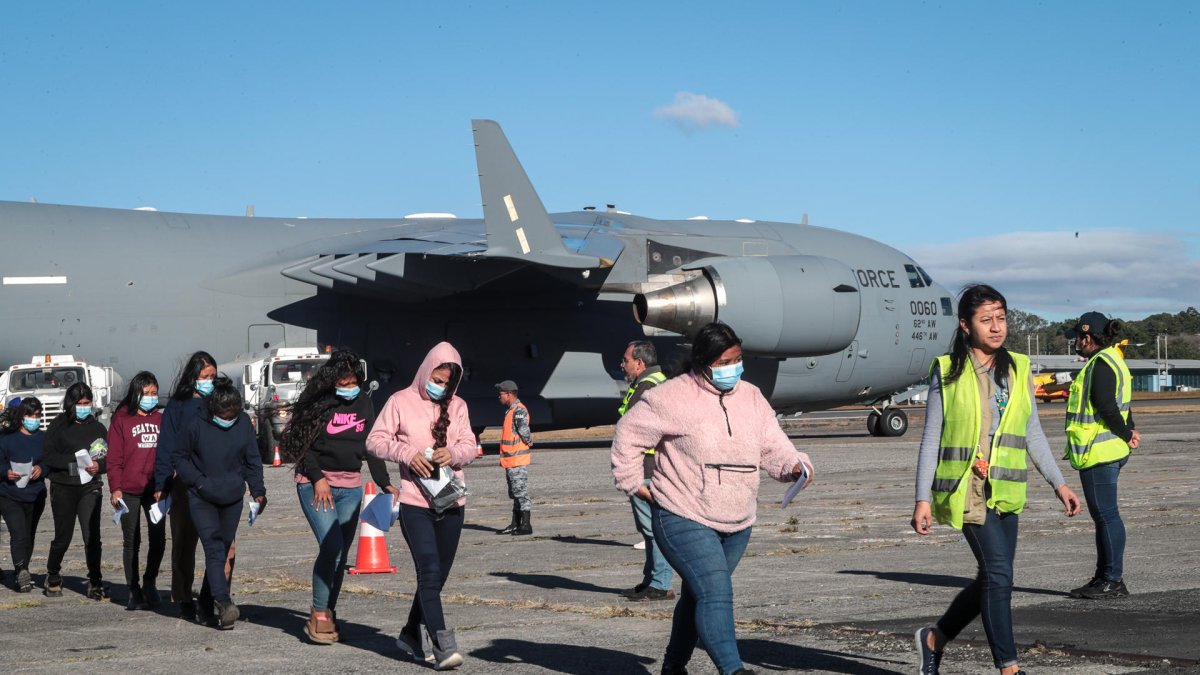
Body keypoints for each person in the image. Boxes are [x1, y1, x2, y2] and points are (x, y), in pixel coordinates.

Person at [612, 322, 814, 675]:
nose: (733, 368)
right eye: (724, 362)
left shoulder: (751, 397)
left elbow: (773, 444)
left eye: (737, 359)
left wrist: (794, 466)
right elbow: (628, 434)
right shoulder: (671, 396)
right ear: (703, 362)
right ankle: (733, 670)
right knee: (716, 593)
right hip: (682, 513)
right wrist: (634, 482)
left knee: (698, 593)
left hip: (738, 520)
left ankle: (673, 666)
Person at [911, 284, 1082, 675]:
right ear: (966, 325)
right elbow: (931, 437)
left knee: (992, 576)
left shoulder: (1018, 367)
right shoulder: (948, 371)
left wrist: (1060, 483)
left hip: (1006, 490)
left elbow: (1031, 431)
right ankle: (1009, 668)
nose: (996, 327)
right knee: (1000, 576)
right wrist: (922, 498)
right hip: (966, 489)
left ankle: (934, 639)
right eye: (986, 319)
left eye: (1001, 317)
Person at [367, 342, 477, 670]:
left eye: (447, 382)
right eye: (437, 378)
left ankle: (410, 635)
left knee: (436, 579)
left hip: (451, 501)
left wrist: (453, 454)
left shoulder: (458, 406)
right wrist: (406, 454)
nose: (440, 386)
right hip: (415, 503)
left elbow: (470, 445)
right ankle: (443, 645)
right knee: (428, 572)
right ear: (426, 371)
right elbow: (374, 440)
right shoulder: (400, 401)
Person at [279, 349, 398, 644]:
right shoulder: (319, 403)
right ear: (332, 381)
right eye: (342, 383)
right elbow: (301, 445)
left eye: (352, 382)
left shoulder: (365, 402)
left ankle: (328, 611)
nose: (348, 388)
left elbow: (372, 445)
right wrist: (318, 478)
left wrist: (385, 483)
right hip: (316, 484)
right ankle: (318, 612)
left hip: (351, 487)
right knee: (331, 546)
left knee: (340, 554)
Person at [173, 376, 266, 630]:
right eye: (223, 413)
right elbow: (179, 458)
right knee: (213, 548)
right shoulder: (195, 424)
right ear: (212, 409)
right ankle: (224, 604)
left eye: (232, 413)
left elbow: (252, 459)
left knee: (223, 549)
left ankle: (205, 602)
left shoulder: (244, 423)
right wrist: (198, 482)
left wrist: (258, 490)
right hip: (202, 497)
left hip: (232, 497)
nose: (228, 418)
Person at [1063, 311, 1138, 599]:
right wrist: (1130, 428)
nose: (1075, 344)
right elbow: (1123, 404)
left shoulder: (1100, 364)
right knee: (1104, 517)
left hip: (1099, 452)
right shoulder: (1113, 360)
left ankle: (1113, 580)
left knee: (1107, 516)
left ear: (1088, 336)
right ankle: (1103, 576)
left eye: (1077, 339)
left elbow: (1106, 405)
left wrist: (1126, 432)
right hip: (1108, 451)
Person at [153, 351, 223, 622]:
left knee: (219, 545)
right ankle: (183, 597)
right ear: (192, 377)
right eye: (204, 377)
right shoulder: (178, 406)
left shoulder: (218, 402)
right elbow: (166, 446)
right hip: (183, 483)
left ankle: (211, 597)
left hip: (214, 481)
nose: (209, 381)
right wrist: (161, 482)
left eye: (213, 377)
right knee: (183, 543)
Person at [617, 340, 673, 602]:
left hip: (647, 469)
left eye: (626, 360)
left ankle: (660, 583)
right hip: (651, 467)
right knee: (650, 528)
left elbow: (637, 430)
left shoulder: (647, 387)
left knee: (653, 529)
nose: (622, 365)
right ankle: (652, 579)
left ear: (639, 364)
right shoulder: (656, 382)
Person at [42, 382, 109, 599]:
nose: (83, 406)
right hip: (63, 486)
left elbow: (109, 458)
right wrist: (74, 460)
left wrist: (99, 465)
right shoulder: (58, 425)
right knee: (63, 536)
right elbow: (49, 456)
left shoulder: (98, 428)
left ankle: (95, 580)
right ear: (71, 404)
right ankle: (53, 573)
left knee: (92, 536)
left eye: (87, 403)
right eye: (79, 403)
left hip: (89, 486)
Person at [108, 371, 167, 610]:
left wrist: (165, 484)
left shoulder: (161, 419)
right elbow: (113, 458)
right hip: (129, 491)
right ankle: (133, 589)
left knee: (159, 539)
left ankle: (150, 581)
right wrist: (116, 488)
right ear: (137, 393)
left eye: (154, 393)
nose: (151, 398)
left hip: (155, 491)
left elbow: (167, 454)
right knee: (131, 540)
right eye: (147, 393)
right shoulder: (122, 419)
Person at [0, 398, 47, 593]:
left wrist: (41, 468)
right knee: (18, 534)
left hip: (35, 494)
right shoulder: (6, 438)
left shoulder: (44, 438)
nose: (33, 419)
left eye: (37, 416)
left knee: (28, 535)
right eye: (29, 415)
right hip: (9, 494)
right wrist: (6, 472)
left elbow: (51, 460)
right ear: (21, 416)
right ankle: (20, 570)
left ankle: (24, 568)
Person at [495, 379, 533, 536]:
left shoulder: (518, 410)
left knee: (521, 493)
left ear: (509, 394)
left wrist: (528, 442)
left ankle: (526, 525)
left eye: (501, 394)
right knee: (515, 493)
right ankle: (515, 524)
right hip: (511, 460)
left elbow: (524, 431)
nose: (499, 397)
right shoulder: (511, 410)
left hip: (517, 460)